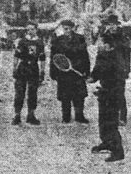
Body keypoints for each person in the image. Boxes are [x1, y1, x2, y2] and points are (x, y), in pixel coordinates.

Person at [89, 32, 125, 162]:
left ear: (108, 45)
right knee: (103, 121)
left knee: (111, 123)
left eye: (101, 42)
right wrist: (92, 77)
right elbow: (97, 71)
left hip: (112, 93)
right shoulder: (102, 55)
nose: (98, 44)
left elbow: (116, 78)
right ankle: (106, 142)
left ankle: (118, 151)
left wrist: (108, 91)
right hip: (104, 92)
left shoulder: (116, 58)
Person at [50, 19, 90, 124]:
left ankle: (79, 116)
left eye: (67, 28)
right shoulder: (58, 40)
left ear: (72, 28)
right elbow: (53, 57)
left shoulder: (80, 38)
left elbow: (85, 56)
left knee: (79, 96)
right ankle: (66, 117)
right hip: (64, 72)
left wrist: (87, 71)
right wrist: (53, 72)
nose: (66, 30)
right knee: (65, 96)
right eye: (64, 28)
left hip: (77, 71)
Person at [12, 21, 45, 125]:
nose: (30, 31)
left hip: (34, 68)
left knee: (32, 93)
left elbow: (42, 58)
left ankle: (31, 115)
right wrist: (14, 68)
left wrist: (42, 71)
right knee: (19, 93)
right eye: (28, 29)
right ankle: (17, 115)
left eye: (32, 29)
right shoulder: (22, 41)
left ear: (36, 29)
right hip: (23, 68)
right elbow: (16, 55)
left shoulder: (39, 42)